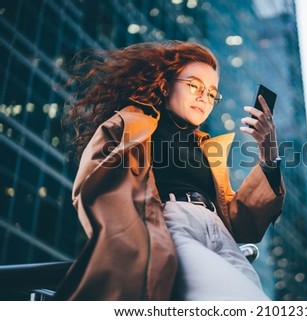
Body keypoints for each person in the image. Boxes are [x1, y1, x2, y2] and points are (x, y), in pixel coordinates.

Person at [55, 41, 285, 301]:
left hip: (222, 235)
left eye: (211, 93)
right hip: (169, 225)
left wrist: (268, 155)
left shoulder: (208, 148)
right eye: (194, 85)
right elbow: (96, 185)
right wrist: (132, 234)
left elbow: (243, 225)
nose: (203, 97)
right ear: (166, 84)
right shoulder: (130, 124)